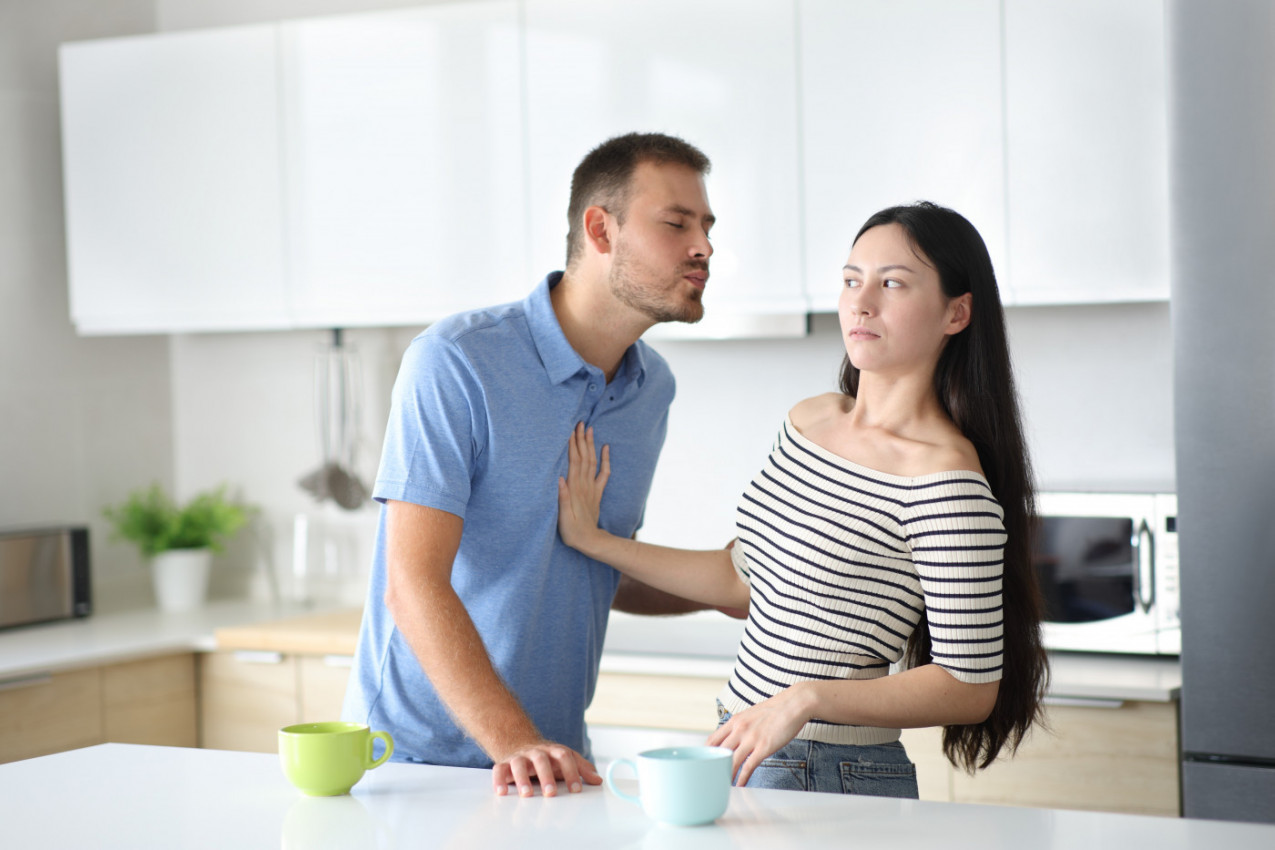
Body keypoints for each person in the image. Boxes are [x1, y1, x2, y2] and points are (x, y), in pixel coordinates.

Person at [557, 201, 1049, 797]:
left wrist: (806, 699)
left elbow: (968, 687)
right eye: (852, 280)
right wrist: (595, 542)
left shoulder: (944, 481)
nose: (862, 302)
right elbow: (740, 578)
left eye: (893, 283)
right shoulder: (809, 421)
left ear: (956, 312)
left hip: (835, 769)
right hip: (742, 747)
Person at [343, 132, 718, 799]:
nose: (703, 247)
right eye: (676, 224)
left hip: (552, 765)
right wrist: (514, 741)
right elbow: (412, 582)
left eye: (707, 227)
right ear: (600, 230)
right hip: (416, 767)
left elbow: (599, 569)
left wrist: (749, 580)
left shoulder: (649, 389)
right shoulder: (457, 361)